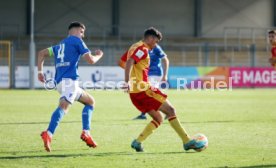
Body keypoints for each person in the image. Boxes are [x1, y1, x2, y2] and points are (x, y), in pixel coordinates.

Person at [123, 27, 197, 152]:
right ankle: (187, 141)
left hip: (135, 93)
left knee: (158, 118)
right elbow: (130, 61)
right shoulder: (142, 48)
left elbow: (126, 61)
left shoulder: (134, 46)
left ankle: (138, 142)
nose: (155, 45)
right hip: (144, 89)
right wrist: (126, 82)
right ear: (150, 38)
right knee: (171, 110)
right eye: (156, 41)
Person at [37, 22, 103, 152]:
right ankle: (48, 133)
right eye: (82, 32)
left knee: (90, 102)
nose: (83, 36)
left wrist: (40, 72)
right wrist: (100, 55)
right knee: (63, 107)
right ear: (78, 30)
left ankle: (86, 132)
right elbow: (91, 60)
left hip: (61, 84)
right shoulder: (77, 41)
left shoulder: (60, 45)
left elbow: (41, 53)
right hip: (70, 82)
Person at [118, 45, 169, 120]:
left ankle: (145, 114)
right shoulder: (142, 48)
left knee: (149, 93)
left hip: (155, 73)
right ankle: (167, 111)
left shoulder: (155, 47)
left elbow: (165, 59)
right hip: (146, 74)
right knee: (152, 94)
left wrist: (165, 75)